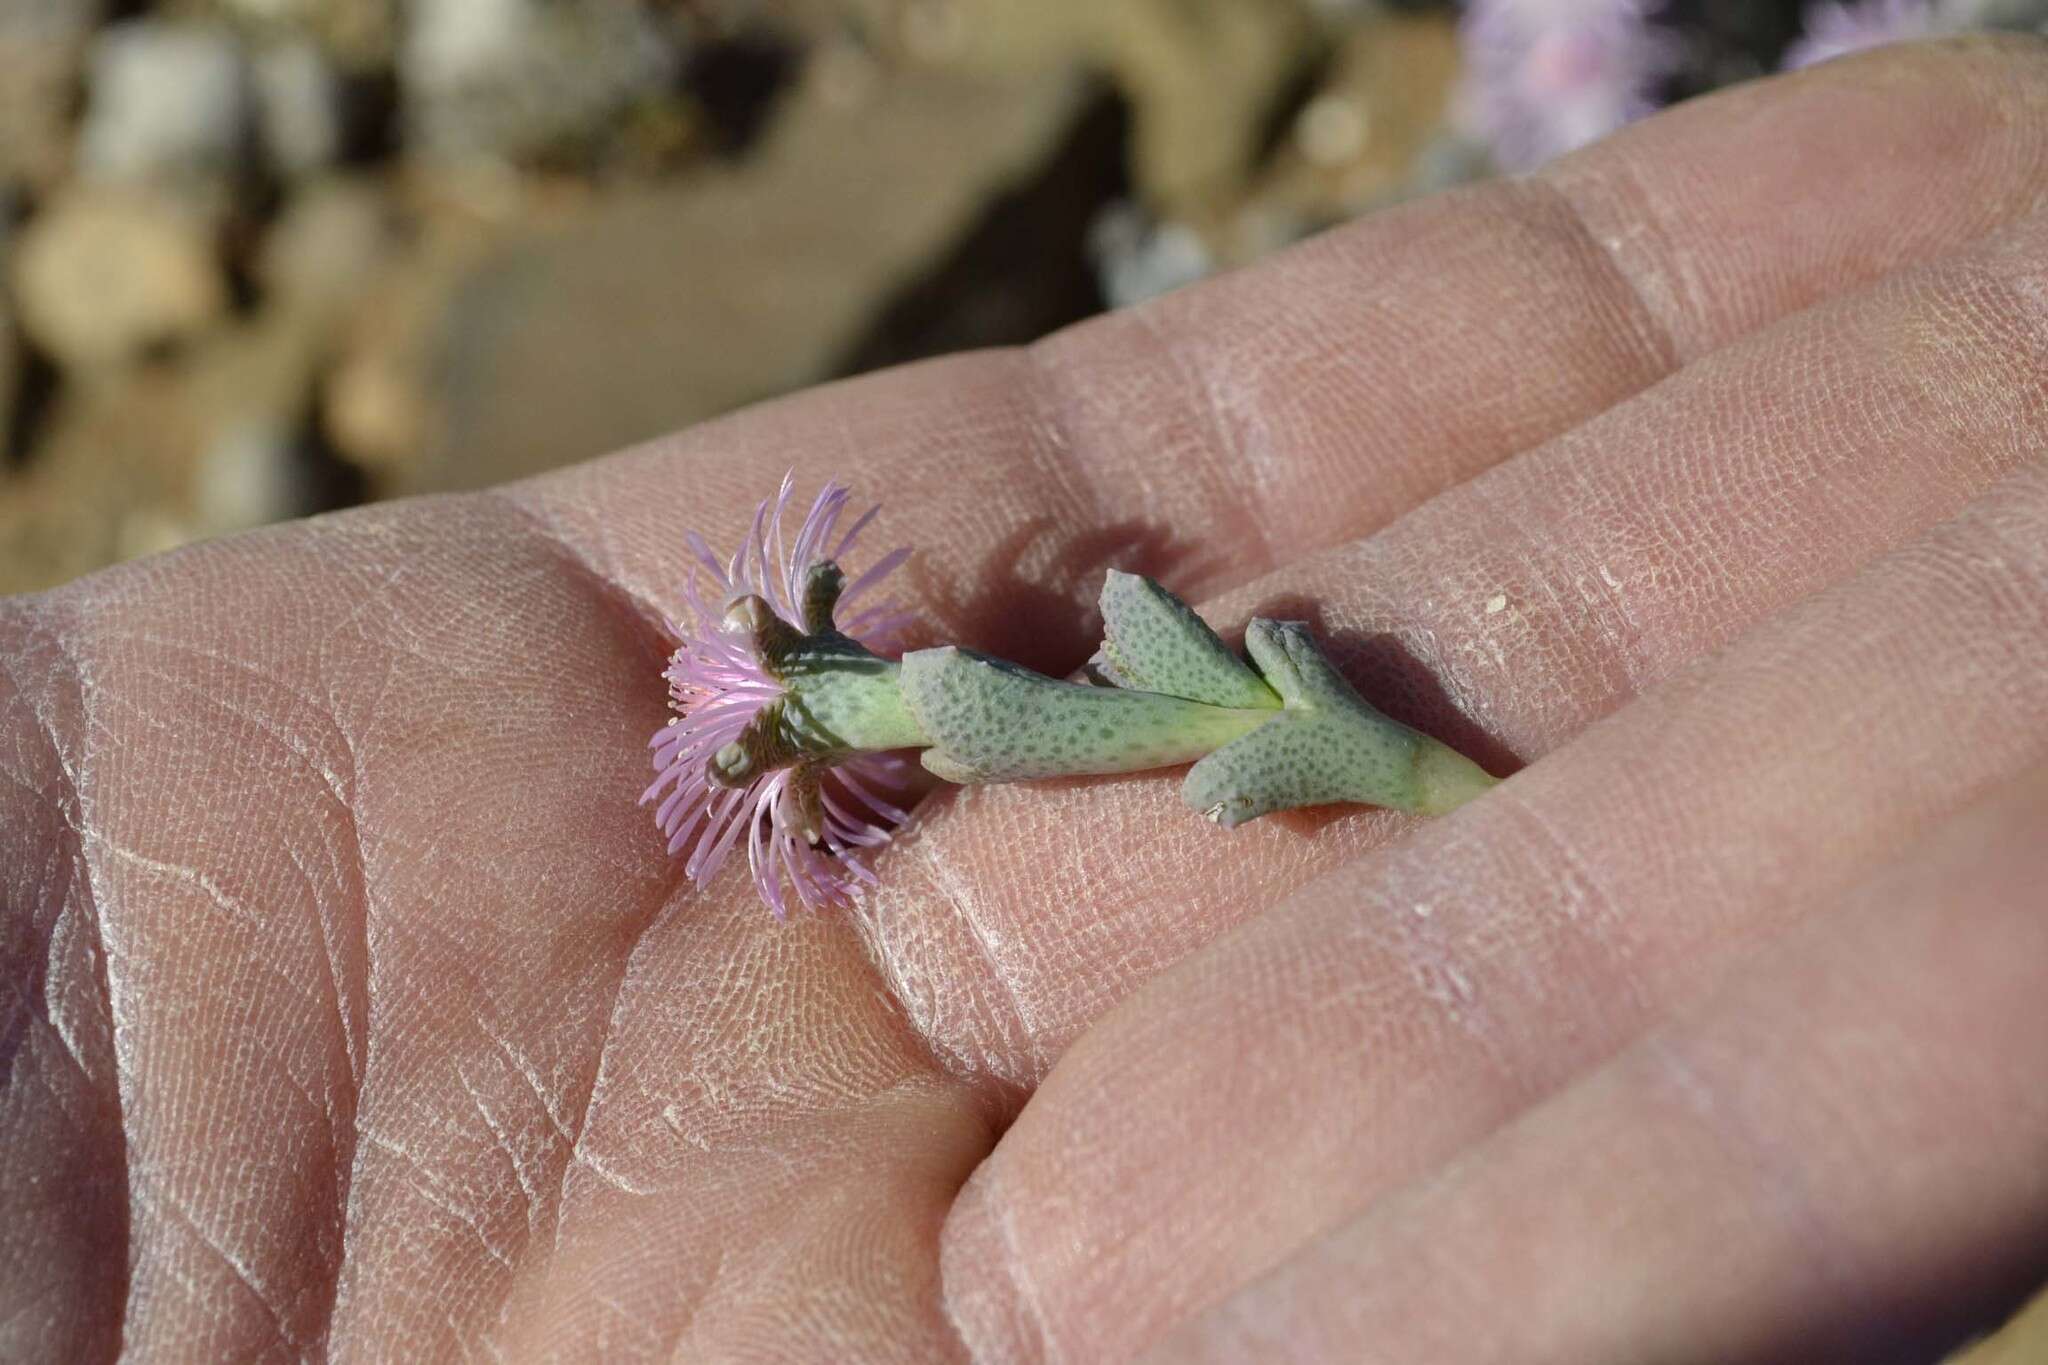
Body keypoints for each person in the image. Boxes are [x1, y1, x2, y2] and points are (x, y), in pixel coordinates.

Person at [4, 36, 2046, 1363]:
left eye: (786, 696)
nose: (778, 702)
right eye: (794, 711)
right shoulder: (919, 724)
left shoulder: (922, 700)